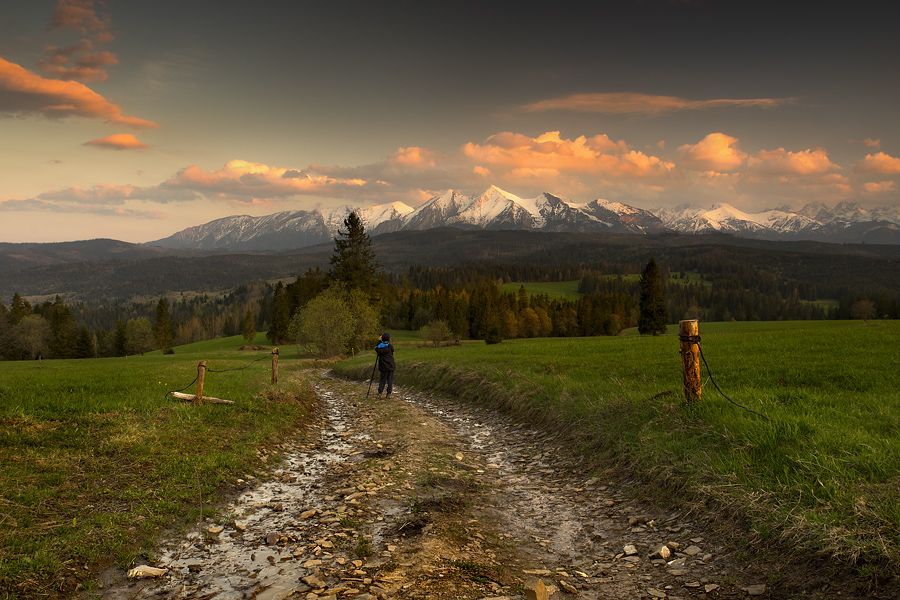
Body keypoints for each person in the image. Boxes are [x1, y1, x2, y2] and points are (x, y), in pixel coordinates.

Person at [375, 332, 395, 398]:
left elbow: (376, 348)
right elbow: (393, 350)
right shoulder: (390, 346)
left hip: (383, 366)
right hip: (391, 365)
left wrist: (379, 341)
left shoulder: (379, 347)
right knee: (390, 380)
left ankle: (380, 393)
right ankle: (389, 394)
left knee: (382, 380)